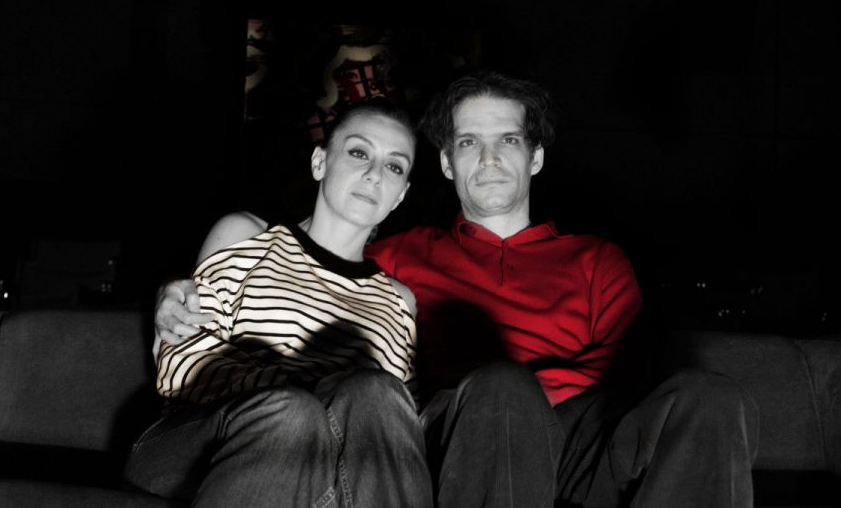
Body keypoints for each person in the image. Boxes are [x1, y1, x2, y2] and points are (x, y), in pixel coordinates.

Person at [154, 70, 759, 508]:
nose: (488, 158)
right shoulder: (400, 256)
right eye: (469, 142)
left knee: (709, 397)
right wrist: (178, 288)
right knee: (500, 389)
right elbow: (317, 259)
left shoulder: (597, 259)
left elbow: (626, 370)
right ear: (447, 164)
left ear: (535, 157)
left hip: (579, 438)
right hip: (463, 432)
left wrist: (545, 403)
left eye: (508, 140)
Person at [125, 102, 433, 508]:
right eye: (359, 152)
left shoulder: (397, 300)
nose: (374, 174)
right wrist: (317, 400)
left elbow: (392, 431)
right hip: (197, 446)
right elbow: (184, 368)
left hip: (328, 472)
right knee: (294, 415)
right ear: (320, 163)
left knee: (377, 392)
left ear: (401, 195)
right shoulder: (246, 236)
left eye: (394, 166)